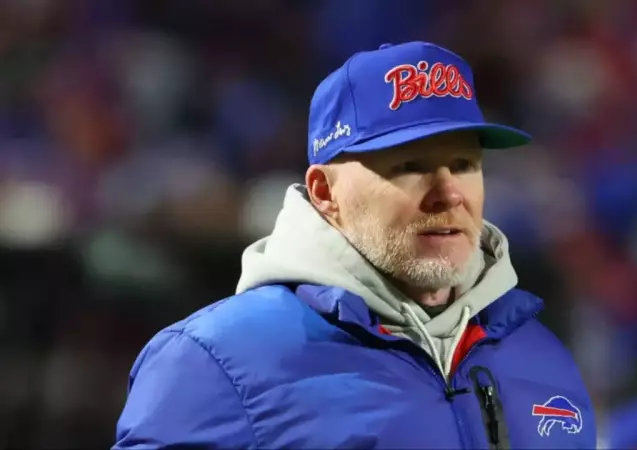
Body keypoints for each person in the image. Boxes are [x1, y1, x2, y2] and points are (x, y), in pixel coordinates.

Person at [114, 41, 597, 449]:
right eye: (410, 167)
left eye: (464, 165)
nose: (449, 193)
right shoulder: (215, 362)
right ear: (325, 193)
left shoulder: (540, 355)